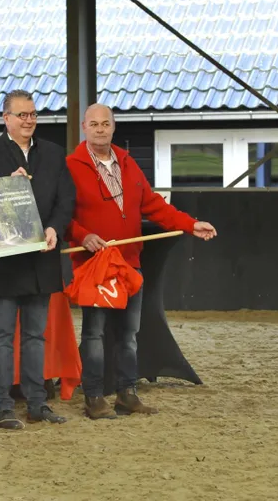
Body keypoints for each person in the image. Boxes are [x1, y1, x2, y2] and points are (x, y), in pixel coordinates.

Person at [66, 103, 217, 420]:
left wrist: (190, 224)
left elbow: (153, 205)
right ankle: (93, 397)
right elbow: (61, 215)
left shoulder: (128, 163)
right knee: (94, 334)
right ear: (84, 127)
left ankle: (127, 394)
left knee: (129, 333)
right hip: (95, 265)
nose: (100, 129)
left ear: (113, 126)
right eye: (94, 124)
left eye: (105, 123)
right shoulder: (70, 166)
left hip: (129, 263)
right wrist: (83, 235)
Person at [0, 89, 75, 428]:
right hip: (4, 262)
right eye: (22, 115)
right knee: (1, 336)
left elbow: (66, 200)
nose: (29, 121)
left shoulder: (54, 153)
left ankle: (36, 403)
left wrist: (54, 228)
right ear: (6, 118)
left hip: (42, 260)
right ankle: (2, 405)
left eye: (33, 114)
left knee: (35, 336)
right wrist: (4, 187)